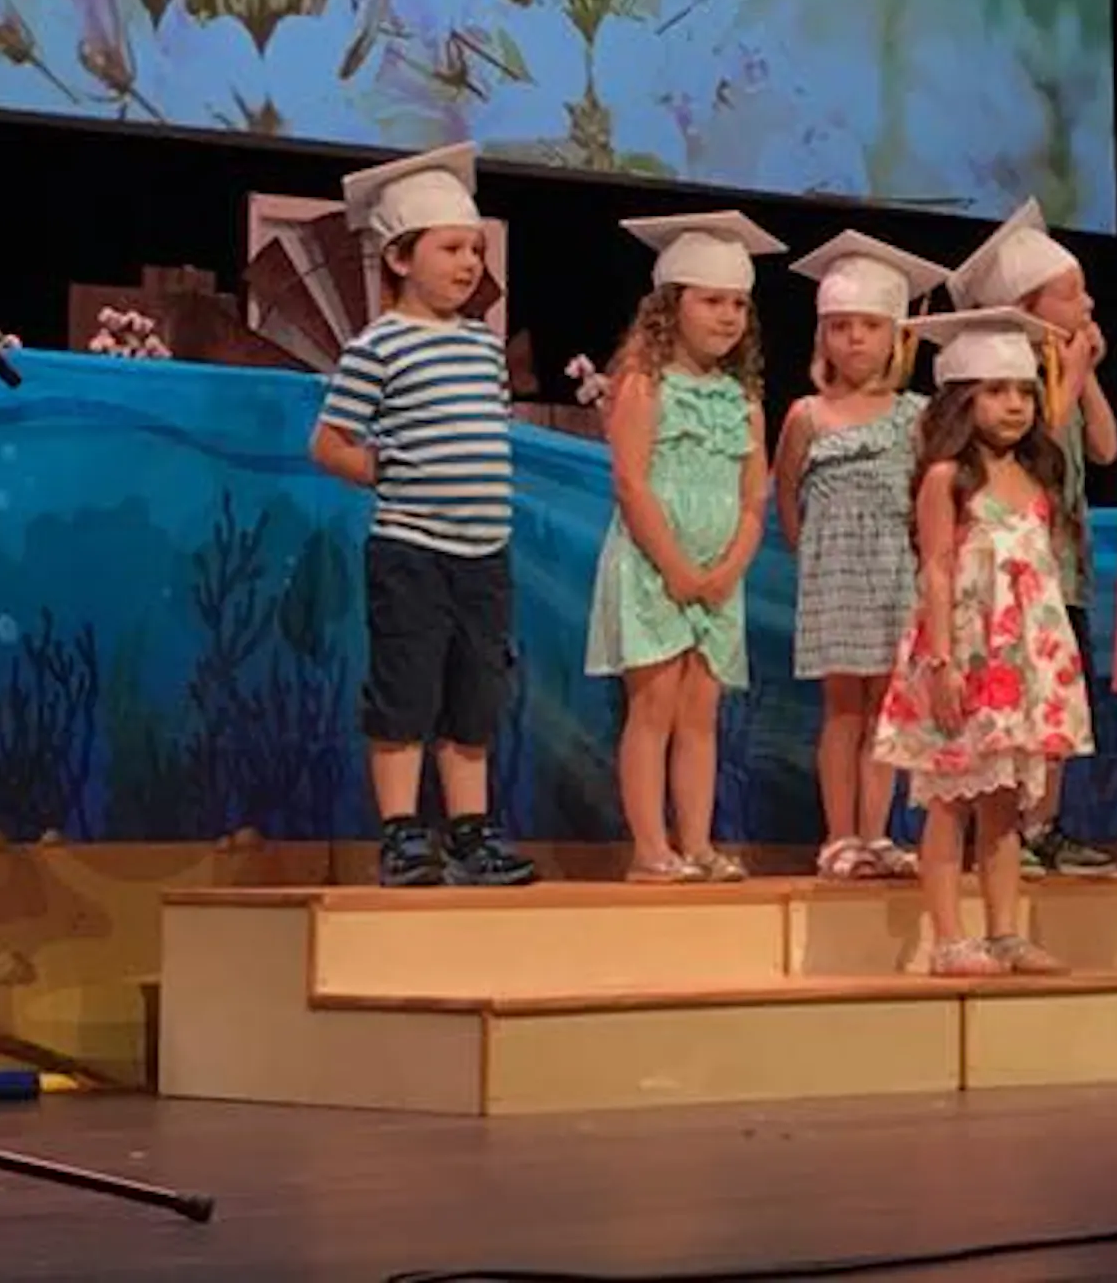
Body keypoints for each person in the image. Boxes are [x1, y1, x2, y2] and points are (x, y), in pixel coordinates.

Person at [312, 143, 537, 888]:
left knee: (475, 697)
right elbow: (329, 443)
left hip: (484, 553)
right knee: (405, 689)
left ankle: (470, 834)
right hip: (411, 550)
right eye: (451, 249)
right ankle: (403, 834)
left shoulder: (482, 346)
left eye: (476, 249)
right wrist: (391, 469)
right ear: (401, 257)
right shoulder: (377, 347)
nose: (469, 263)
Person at [874, 309, 1093, 976]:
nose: (1015, 405)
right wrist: (942, 662)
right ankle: (948, 939)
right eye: (997, 391)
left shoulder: (1035, 476)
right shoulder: (947, 477)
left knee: (1004, 804)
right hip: (965, 653)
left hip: (1019, 659)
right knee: (950, 798)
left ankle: (1004, 932)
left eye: (1025, 391)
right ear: (963, 399)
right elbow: (938, 570)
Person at [587, 212, 780, 883]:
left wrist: (728, 569)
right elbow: (630, 482)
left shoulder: (743, 400)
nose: (728, 317)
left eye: (738, 305)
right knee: (654, 707)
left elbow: (754, 498)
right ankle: (650, 849)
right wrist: (675, 568)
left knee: (701, 713)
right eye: (712, 301)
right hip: (654, 567)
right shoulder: (645, 384)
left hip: (718, 577)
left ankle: (696, 843)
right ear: (672, 306)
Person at [946, 201, 1117, 876]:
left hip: (1063, 569)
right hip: (1009, 571)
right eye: (1071, 293)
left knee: (1054, 694)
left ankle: (1043, 823)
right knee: (1006, 697)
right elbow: (1035, 448)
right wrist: (1070, 376)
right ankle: (1001, 826)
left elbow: (1105, 448)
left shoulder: (1062, 374)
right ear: (1027, 306)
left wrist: (1088, 374)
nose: (1088, 304)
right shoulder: (1012, 390)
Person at [778, 230, 954, 881]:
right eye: (840, 326)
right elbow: (785, 490)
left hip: (894, 575)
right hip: (835, 579)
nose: (854, 339)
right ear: (822, 336)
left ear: (896, 337)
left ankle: (877, 834)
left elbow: (931, 497)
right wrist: (808, 552)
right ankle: (839, 836)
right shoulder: (807, 415)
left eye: (869, 326)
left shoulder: (918, 415)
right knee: (843, 708)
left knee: (887, 707)